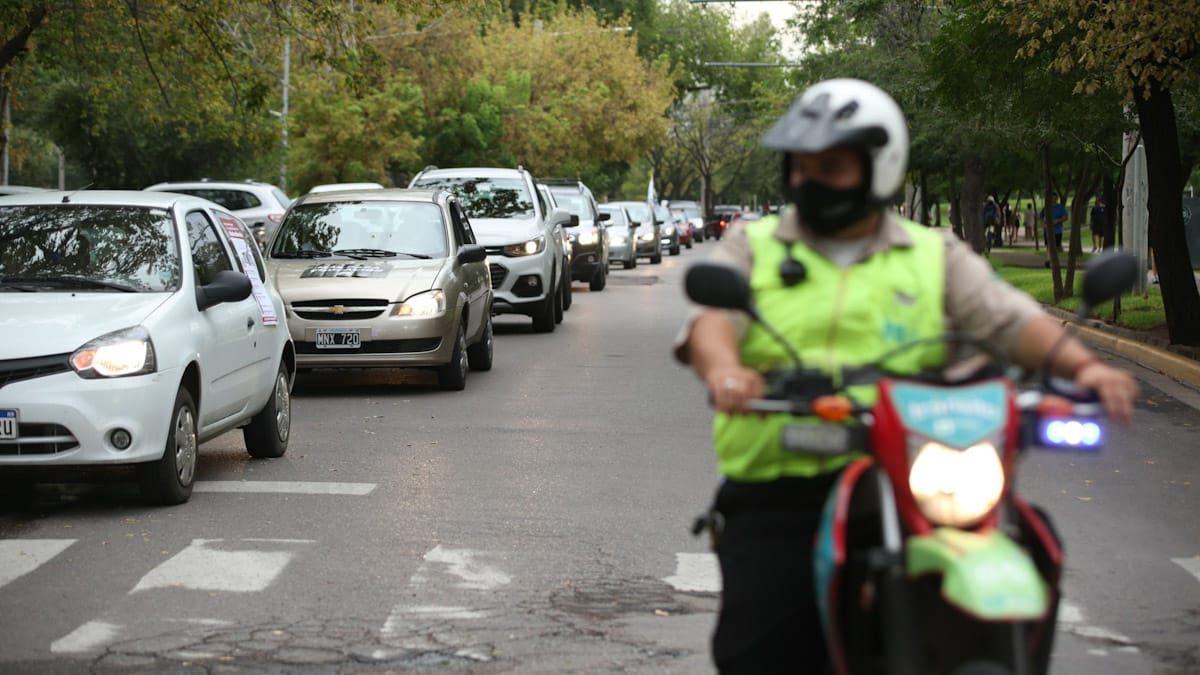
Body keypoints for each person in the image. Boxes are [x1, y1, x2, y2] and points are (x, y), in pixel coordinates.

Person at [673, 78, 1138, 674]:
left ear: (878, 167)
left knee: (1033, 542)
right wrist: (728, 371)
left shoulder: (931, 253)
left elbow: (1009, 319)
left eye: (832, 166)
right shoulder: (754, 243)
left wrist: (1086, 367)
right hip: (785, 484)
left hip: (916, 476)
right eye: (802, 166)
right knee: (761, 646)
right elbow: (713, 321)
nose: (810, 180)